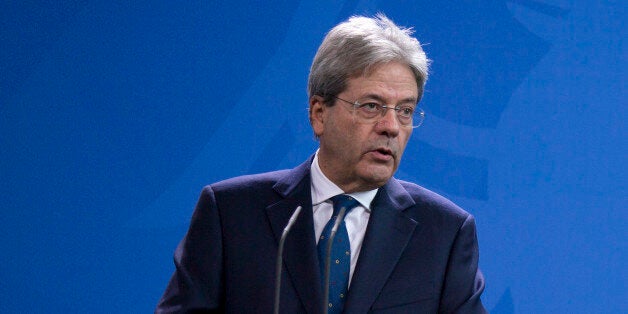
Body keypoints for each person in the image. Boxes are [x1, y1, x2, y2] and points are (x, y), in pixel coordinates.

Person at [156, 14, 486, 313]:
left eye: (405, 111)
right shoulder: (230, 214)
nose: (391, 127)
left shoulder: (445, 233)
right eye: (372, 106)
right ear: (319, 114)